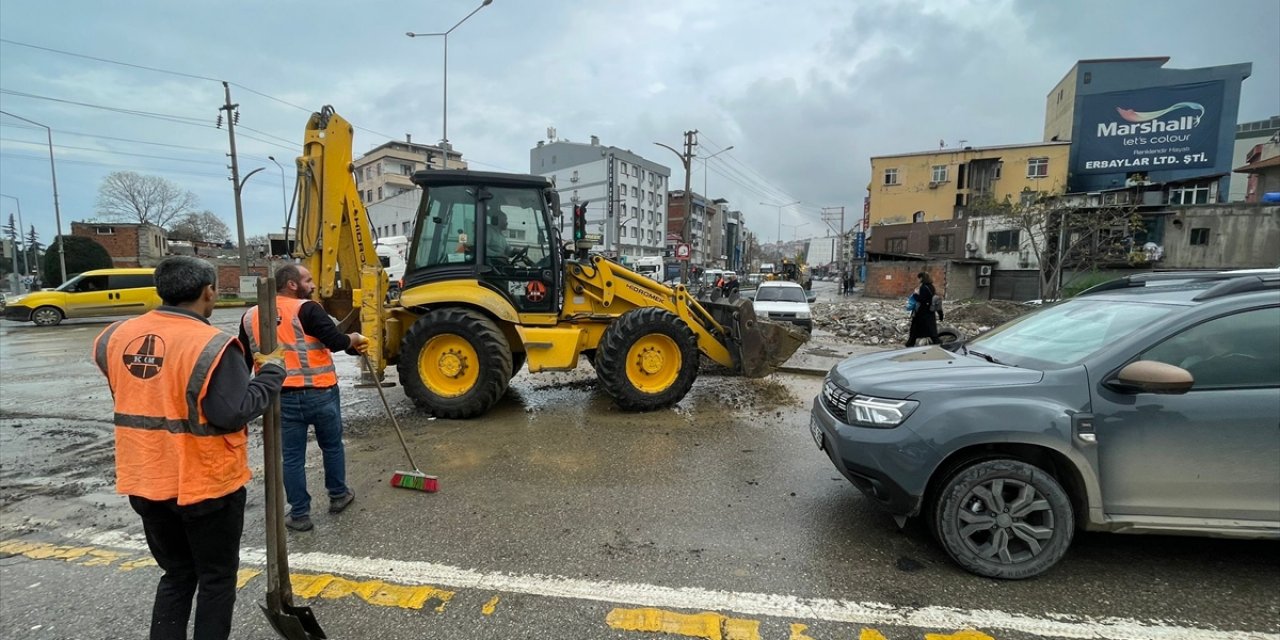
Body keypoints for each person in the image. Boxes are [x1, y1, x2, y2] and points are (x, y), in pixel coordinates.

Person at [93, 256, 285, 640]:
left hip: (145, 478)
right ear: (208, 291)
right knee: (215, 579)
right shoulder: (212, 344)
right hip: (205, 484)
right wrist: (271, 374)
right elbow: (232, 412)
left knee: (177, 574)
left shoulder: (114, 336)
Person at [239, 264, 368, 532]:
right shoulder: (307, 309)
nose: (312, 285)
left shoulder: (250, 315)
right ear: (292, 284)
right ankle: (338, 495)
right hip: (320, 391)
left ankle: (299, 514)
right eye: (307, 280)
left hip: (280, 397)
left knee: (292, 457)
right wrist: (354, 337)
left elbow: (243, 359)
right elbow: (336, 341)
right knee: (331, 446)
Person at [905, 271, 944, 347]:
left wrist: (916, 294)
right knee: (931, 331)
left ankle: (910, 344)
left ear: (922, 278)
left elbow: (921, 299)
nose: (918, 280)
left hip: (922, 312)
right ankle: (937, 343)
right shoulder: (931, 286)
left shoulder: (923, 287)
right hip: (930, 312)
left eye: (919, 278)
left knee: (915, 330)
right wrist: (940, 315)